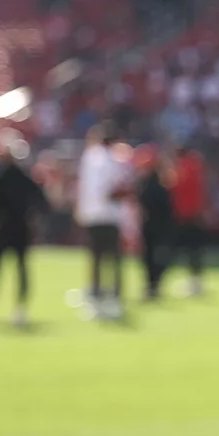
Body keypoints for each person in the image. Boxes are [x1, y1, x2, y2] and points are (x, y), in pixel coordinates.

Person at [0, 145, 50, 327]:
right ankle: (20, 309)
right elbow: (42, 201)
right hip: (21, 230)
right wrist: (31, 218)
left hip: (2, 231)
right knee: (21, 270)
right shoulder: (24, 177)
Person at [75, 124, 130, 320]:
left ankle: (97, 294)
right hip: (109, 216)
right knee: (112, 259)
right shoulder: (115, 159)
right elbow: (116, 189)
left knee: (96, 258)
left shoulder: (91, 157)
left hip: (94, 215)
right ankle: (113, 295)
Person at [135, 145, 174, 301]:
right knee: (156, 258)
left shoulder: (148, 184)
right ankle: (153, 286)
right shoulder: (160, 183)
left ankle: (152, 286)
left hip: (152, 226)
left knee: (150, 259)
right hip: (157, 227)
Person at [171, 147, 208, 297]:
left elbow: (177, 190)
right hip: (196, 214)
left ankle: (193, 283)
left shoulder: (183, 169)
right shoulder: (197, 168)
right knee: (195, 250)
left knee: (188, 250)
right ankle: (196, 281)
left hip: (185, 215)